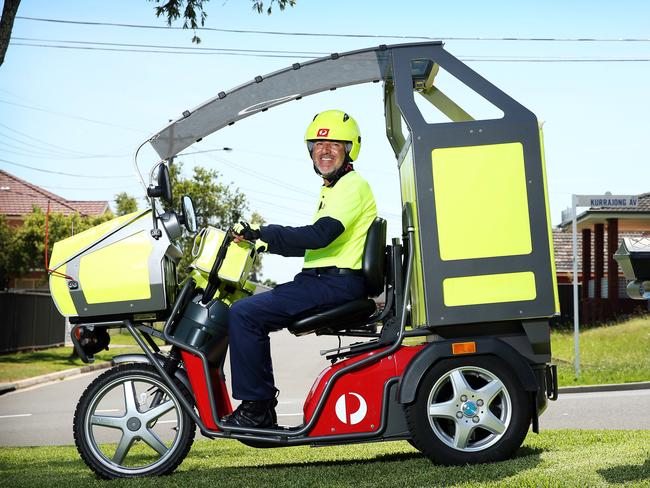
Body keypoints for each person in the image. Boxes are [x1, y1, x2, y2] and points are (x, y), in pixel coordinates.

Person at [222, 109, 377, 428]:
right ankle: (258, 405)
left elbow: (320, 236)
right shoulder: (332, 190)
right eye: (318, 146)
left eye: (335, 144)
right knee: (248, 306)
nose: (325, 151)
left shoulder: (352, 186)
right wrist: (262, 242)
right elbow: (315, 242)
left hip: (335, 284)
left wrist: (263, 232)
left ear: (350, 149)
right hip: (322, 281)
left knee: (244, 314)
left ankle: (257, 409)